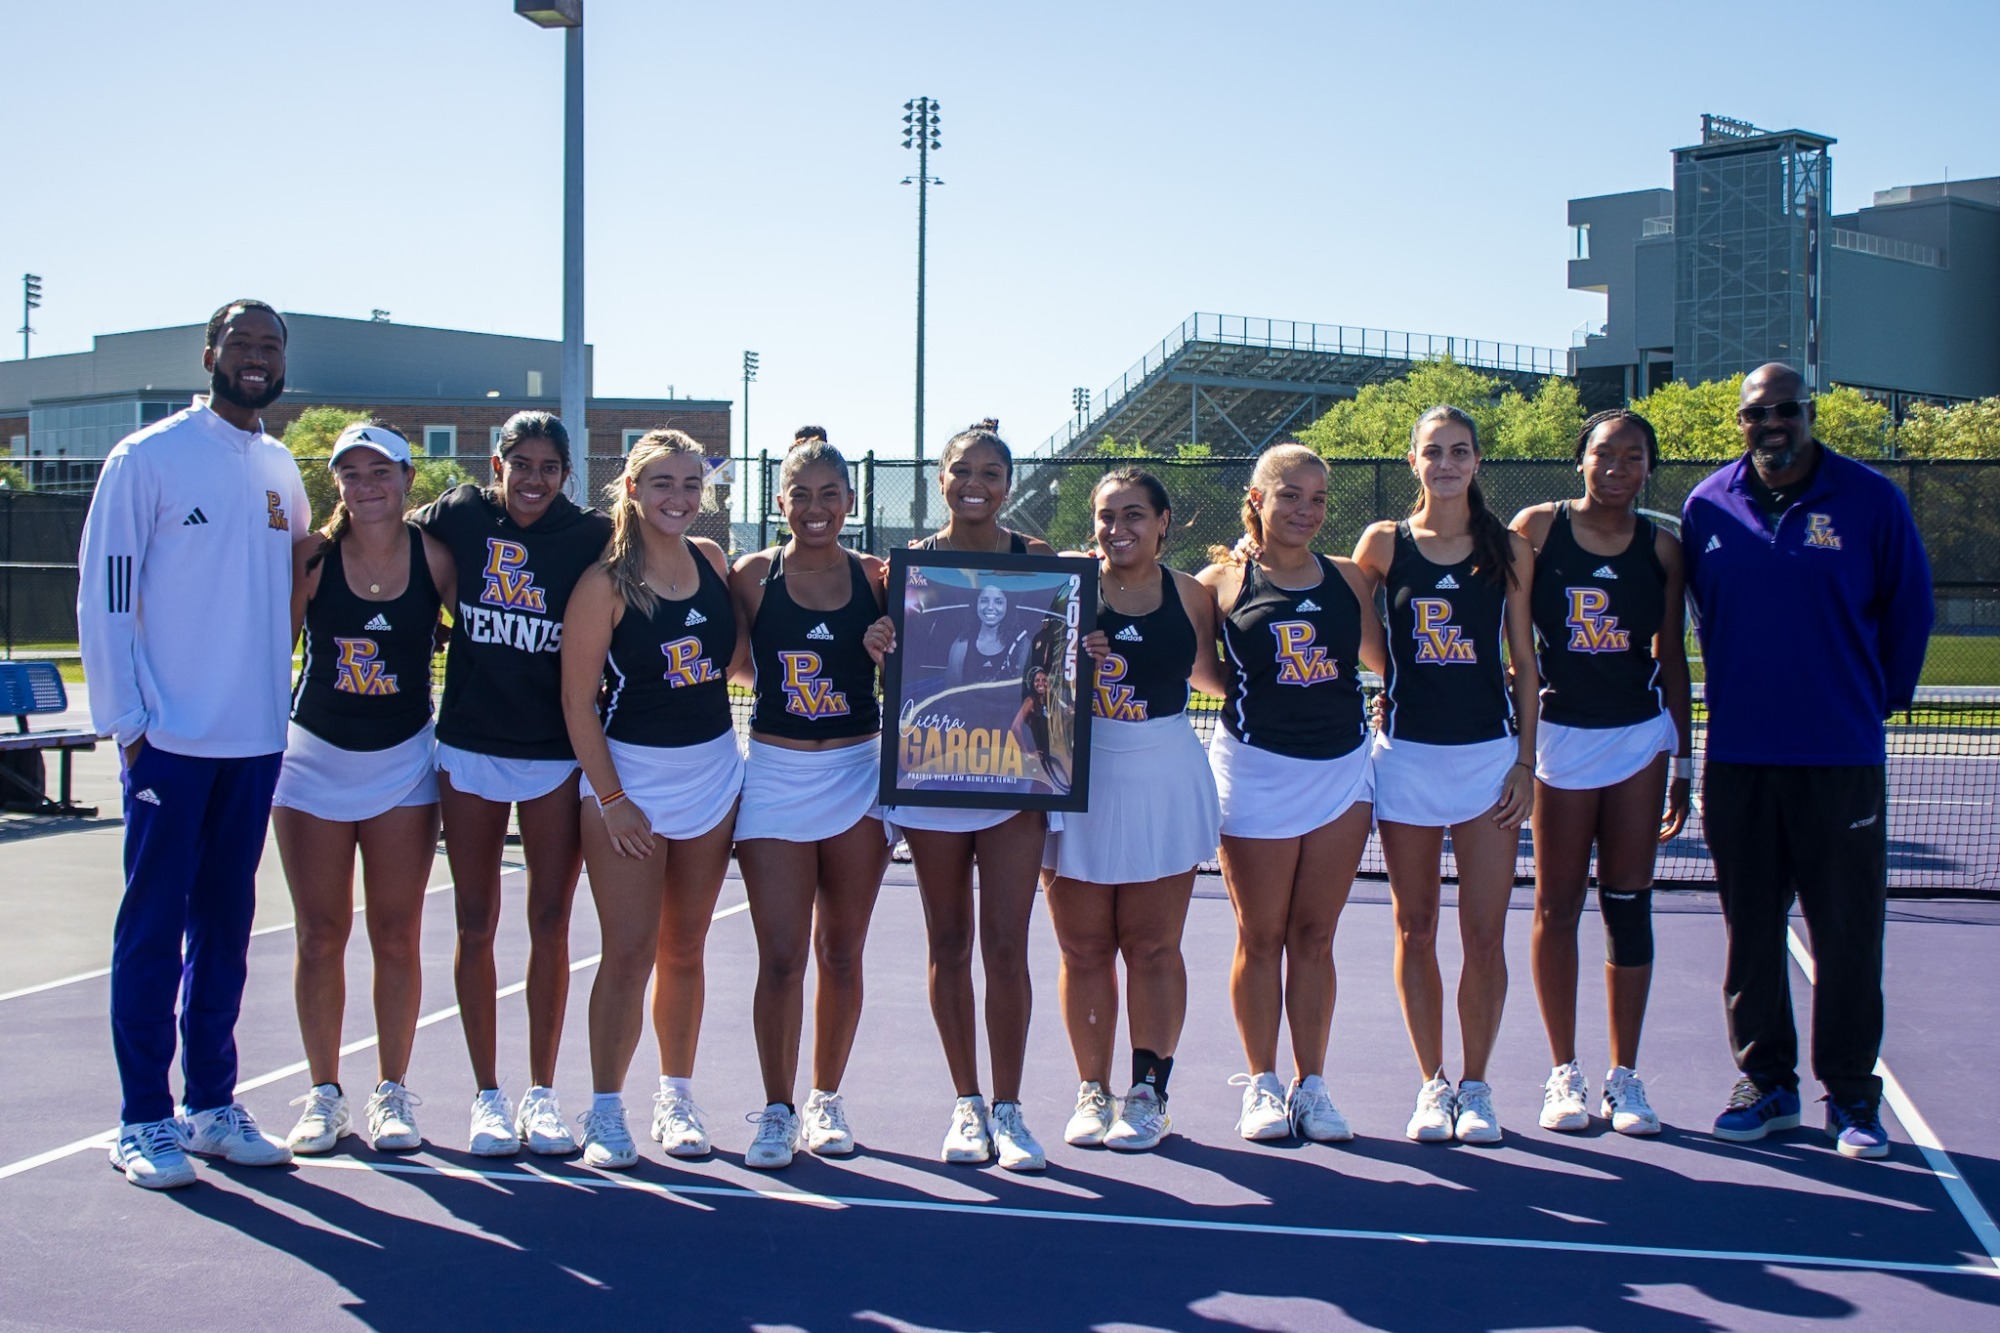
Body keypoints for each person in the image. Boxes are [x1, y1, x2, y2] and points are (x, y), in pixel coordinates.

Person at [78, 298, 314, 1188]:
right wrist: (131, 726)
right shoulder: (147, 458)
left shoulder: (278, 464)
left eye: (270, 347)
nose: (256, 358)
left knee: (227, 927)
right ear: (212, 352)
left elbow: (302, 566)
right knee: (151, 928)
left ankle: (211, 1103)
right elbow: (103, 596)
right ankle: (143, 1117)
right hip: (169, 743)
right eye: (243, 343)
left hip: (253, 743)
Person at [1683, 363, 1933, 1159]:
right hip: (1741, 757)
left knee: (1846, 933)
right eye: (1759, 414)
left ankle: (1853, 1097)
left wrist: (1875, 699)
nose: (1774, 425)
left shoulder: (1872, 501)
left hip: (1839, 756)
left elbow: (1911, 607)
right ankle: (1769, 1082)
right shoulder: (1706, 506)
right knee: (1750, 929)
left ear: (1809, 414)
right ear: (1741, 421)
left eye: (1787, 411)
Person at [414, 411, 613, 1157]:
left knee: (551, 923)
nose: (533, 478)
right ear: (497, 463)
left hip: (556, 752)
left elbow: (666, 560)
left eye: (548, 466)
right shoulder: (463, 513)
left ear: (567, 473)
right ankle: (486, 1095)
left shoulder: (592, 535)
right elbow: (390, 543)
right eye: (519, 463)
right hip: (470, 746)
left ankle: (540, 1093)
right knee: (474, 920)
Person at [559, 431, 746, 1169]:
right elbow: (577, 704)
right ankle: (606, 1110)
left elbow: (732, 665)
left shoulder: (712, 562)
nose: (679, 497)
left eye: (691, 484)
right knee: (630, 951)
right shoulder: (604, 583)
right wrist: (613, 799)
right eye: (663, 483)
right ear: (631, 489)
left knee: (686, 948)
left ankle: (676, 1096)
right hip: (629, 786)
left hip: (711, 779)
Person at [1352, 405, 1538, 1145]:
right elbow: (1344, 613)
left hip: (1489, 761)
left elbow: (1524, 660)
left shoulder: (1508, 547)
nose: (1448, 463)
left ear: (1478, 460)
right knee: (1416, 925)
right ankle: (1432, 1084)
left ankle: (1478, 1085)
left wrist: (1526, 758)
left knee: (1485, 932)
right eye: (1434, 451)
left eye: (1460, 450)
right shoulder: (1383, 544)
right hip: (1407, 761)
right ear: (1413, 460)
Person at [1196, 443, 1385, 1144]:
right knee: (1261, 933)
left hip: (1341, 773)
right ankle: (1263, 1085)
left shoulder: (1346, 579)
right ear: (1257, 499)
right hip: (1255, 773)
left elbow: (1383, 660)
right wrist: (1262, 693)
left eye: (1318, 499)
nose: (1306, 510)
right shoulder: (1220, 582)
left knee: (1315, 935)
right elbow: (1198, 669)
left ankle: (1313, 1085)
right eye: (1290, 496)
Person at [1510, 409, 1691, 1138]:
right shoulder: (1538, 528)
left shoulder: (1665, 548)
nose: (1617, 467)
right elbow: (1508, 634)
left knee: (1627, 901)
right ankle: (1565, 1073)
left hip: (1639, 742)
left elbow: (1671, 657)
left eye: (1634, 456)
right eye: (1604, 454)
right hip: (1559, 739)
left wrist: (1684, 757)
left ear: (1650, 467)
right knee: (1556, 905)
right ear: (1580, 459)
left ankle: (1625, 1075)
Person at [276, 424, 454, 1155]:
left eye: (378, 470)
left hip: (403, 763)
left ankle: (390, 1092)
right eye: (350, 472)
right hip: (313, 760)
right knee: (320, 935)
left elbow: (478, 633)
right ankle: (324, 1093)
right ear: (337, 484)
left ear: (407, 479)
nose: (364, 484)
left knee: (396, 934)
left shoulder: (436, 558)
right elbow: (270, 652)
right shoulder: (310, 557)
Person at [884, 420, 1057, 1170]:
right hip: (935, 775)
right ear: (941, 479)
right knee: (948, 941)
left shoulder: (1040, 562)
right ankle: (967, 1103)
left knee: (1008, 945)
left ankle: (1011, 1108)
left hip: (1012, 778)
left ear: (1008, 483)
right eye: (962, 470)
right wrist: (874, 643)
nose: (975, 482)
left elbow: (1060, 659)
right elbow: (892, 670)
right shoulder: (907, 567)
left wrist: (1081, 647)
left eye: (990, 471)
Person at [1044, 468, 1225, 1153]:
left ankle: (1150, 1091)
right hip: (1076, 775)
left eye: (1134, 515)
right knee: (1083, 948)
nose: (1118, 528)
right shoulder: (1066, 584)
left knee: (1152, 947)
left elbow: (1224, 676)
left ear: (1163, 522)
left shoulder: (1193, 594)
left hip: (1163, 776)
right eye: (1105, 516)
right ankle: (1093, 1090)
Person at [730, 437, 895, 1170]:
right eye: (801, 494)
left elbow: (935, 650)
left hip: (858, 772)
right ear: (779, 502)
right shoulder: (752, 576)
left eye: (831, 494)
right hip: (775, 773)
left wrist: (893, 641)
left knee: (842, 951)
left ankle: (826, 1097)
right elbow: (726, 657)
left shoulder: (877, 578)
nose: (816, 508)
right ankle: (776, 1106)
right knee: (782, 957)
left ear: (851, 503)